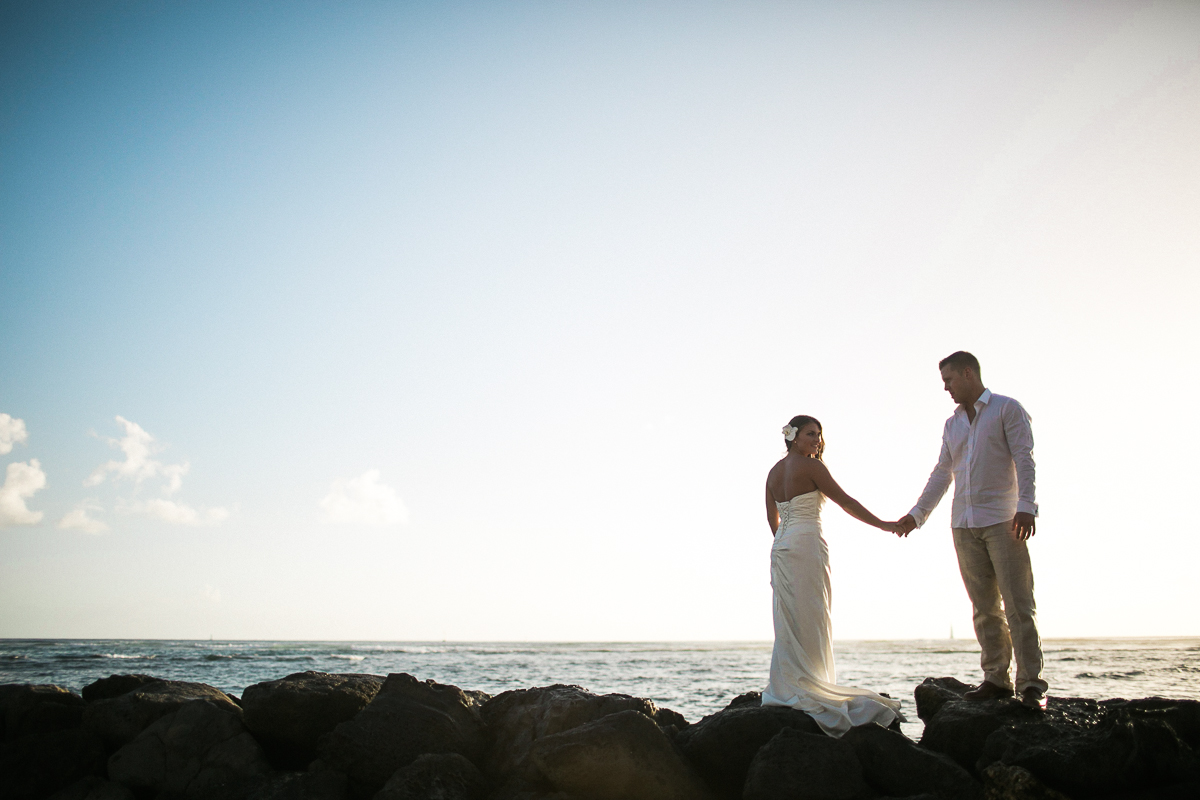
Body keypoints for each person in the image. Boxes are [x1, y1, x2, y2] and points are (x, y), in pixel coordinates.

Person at [896, 351, 1048, 710]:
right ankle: (997, 678)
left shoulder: (1006, 409)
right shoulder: (952, 425)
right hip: (963, 523)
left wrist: (1026, 506)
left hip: (1003, 520)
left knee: (1018, 604)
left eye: (949, 380)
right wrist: (916, 516)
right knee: (984, 608)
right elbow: (941, 473)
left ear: (968, 373)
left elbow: (1024, 458)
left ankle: (1031, 686)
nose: (946, 388)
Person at [762, 414, 905, 736]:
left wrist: (785, 543)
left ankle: (789, 683)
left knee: (790, 620)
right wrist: (884, 524)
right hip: (807, 544)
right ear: (794, 437)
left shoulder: (773, 472)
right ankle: (814, 684)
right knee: (811, 616)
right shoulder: (812, 467)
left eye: (819, 435)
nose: (817, 440)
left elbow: (773, 520)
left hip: (782, 548)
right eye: (811, 434)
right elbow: (847, 502)